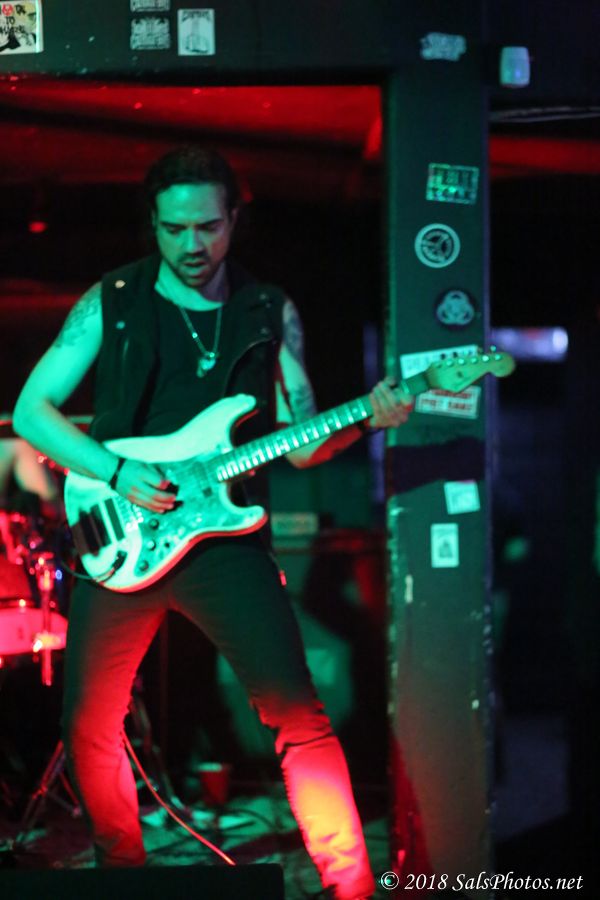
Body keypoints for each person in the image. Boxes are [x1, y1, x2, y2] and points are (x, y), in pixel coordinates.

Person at [13, 147, 411, 900]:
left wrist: (368, 418)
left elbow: (302, 444)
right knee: (89, 724)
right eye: (174, 228)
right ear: (153, 223)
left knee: (298, 718)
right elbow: (34, 411)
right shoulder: (112, 299)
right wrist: (115, 470)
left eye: (207, 226)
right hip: (123, 535)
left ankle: (351, 886)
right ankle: (122, 876)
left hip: (227, 546)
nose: (191, 244)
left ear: (234, 219)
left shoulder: (268, 310)